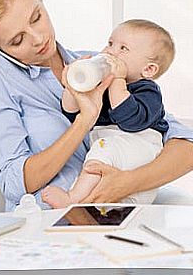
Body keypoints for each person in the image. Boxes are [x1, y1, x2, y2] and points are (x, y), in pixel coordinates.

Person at [0, 0, 193, 212]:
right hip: (53, 223)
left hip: (117, 217)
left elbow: (187, 148)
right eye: (17, 40)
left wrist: (125, 183)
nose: (37, 39)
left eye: (36, 17)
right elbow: (14, 183)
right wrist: (84, 121)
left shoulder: (95, 66)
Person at [42, 19, 174, 209]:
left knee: (102, 149)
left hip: (140, 147)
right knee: (113, 203)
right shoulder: (104, 86)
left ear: (148, 69)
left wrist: (118, 79)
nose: (111, 51)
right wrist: (73, 88)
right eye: (110, 43)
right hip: (118, 158)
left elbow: (130, 120)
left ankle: (72, 199)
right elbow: (71, 114)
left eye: (123, 48)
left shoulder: (148, 91)